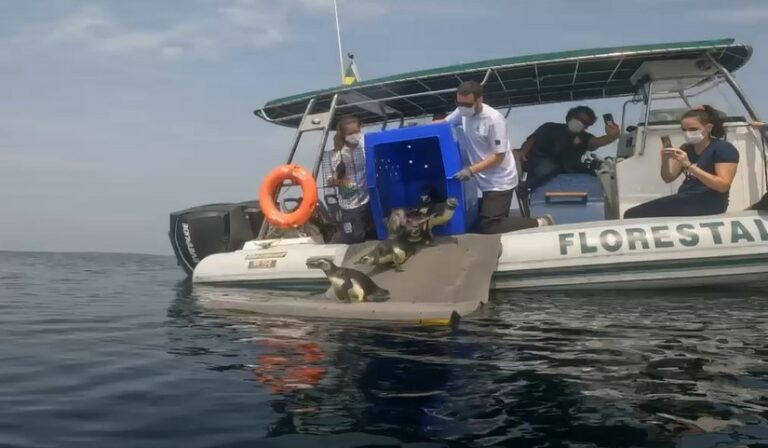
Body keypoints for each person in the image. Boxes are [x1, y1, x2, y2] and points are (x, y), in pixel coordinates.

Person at [443, 81, 553, 233]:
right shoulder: (462, 111)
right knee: (472, 218)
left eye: (467, 105)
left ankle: (540, 222)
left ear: (479, 100)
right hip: (483, 178)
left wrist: (471, 170)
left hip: (500, 180)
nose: (462, 108)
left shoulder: (494, 120)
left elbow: (498, 157)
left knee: (491, 226)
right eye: (459, 103)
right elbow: (444, 124)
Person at [624, 105, 739, 219]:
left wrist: (689, 165)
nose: (688, 133)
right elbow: (668, 177)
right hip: (686, 198)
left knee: (633, 215)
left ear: (708, 128)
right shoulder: (687, 148)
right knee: (631, 214)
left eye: (693, 129)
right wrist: (665, 158)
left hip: (710, 202)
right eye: (684, 129)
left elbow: (723, 185)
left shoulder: (723, 149)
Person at [517, 106, 620, 191]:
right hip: (540, 167)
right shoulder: (549, 127)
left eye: (586, 123)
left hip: (569, 174)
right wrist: (522, 152)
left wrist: (612, 136)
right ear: (569, 117)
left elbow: (596, 142)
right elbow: (531, 141)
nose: (582, 124)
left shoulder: (584, 137)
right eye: (580, 120)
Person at [327, 115, 375, 244]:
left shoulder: (366, 143)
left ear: (361, 128)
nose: (354, 135)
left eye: (356, 132)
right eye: (350, 133)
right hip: (351, 203)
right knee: (355, 239)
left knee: (376, 233)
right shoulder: (339, 155)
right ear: (343, 134)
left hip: (369, 198)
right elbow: (330, 181)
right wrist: (345, 183)